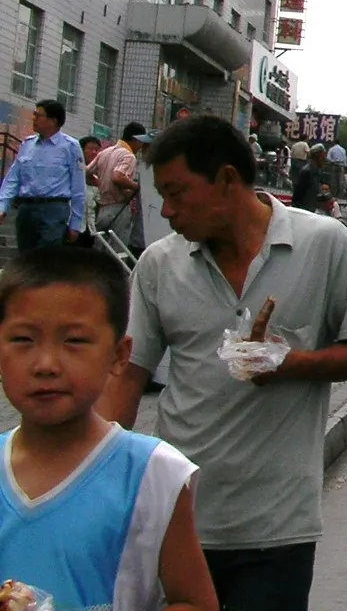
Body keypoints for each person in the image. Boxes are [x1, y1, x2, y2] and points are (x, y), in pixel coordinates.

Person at [97, 116, 347, 610]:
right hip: (177, 517)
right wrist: (92, 478)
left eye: (177, 192)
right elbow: (129, 373)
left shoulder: (324, 244)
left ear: (228, 180)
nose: (165, 210)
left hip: (277, 527)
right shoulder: (159, 265)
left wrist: (287, 362)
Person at [0, 247, 218, 611]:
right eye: (23, 340)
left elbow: (194, 602)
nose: (46, 364)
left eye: (74, 341)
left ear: (119, 355)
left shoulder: (154, 473)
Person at [0, 101, 87, 251]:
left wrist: (75, 223)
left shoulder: (70, 146)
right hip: (27, 208)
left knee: (46, 258)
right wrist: (2, 207)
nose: (33, 118)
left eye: (37, 115)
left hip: (54, 210)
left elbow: (78, 187)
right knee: (25, 260)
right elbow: (13, 178)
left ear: (53, 121)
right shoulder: (28, 144)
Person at [87, 121, 148, 250]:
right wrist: (136, 187)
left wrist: (101, 183)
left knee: (99, 248)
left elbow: (87, 172)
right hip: (118, 207)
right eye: (141, 142)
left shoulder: (105, 152)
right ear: (135, 139)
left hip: (102, 208)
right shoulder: (129, 156)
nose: (141, 146)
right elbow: (117, 176)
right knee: (118, 250)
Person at [289, 142, 326, 211]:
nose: (324, 159)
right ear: (317, 157)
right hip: (303, 212)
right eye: (323, 156)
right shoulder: (306, 172)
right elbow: (298, 195)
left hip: (311, 211)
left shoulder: (317, 172)